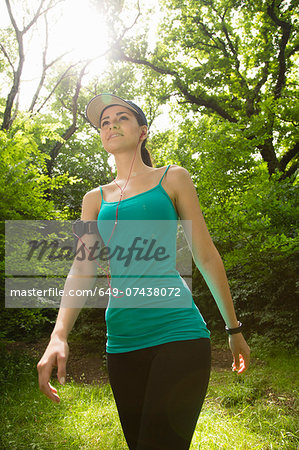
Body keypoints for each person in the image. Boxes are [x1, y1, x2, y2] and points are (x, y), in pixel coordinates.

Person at [37, 93, 250, 449]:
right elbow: (83, 267)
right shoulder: (94, 199)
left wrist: (234, 328)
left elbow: (205, 255)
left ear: (143, 131)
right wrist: (59, 334)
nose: (111, 125)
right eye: (104, 122)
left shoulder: (172, 178)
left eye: (121, 117)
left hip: (178, 333)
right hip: (121, 341)